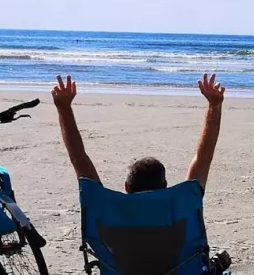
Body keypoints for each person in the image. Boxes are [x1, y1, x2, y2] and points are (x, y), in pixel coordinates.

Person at [50, 72, 226, 192]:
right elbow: (204, 157)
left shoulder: (106, 206)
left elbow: (79, 159)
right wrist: (214, 105)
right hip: (174, 249)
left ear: (127, 187)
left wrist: (63, 108)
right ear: (165, 186)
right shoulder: (181, 203)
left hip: (116, 249)